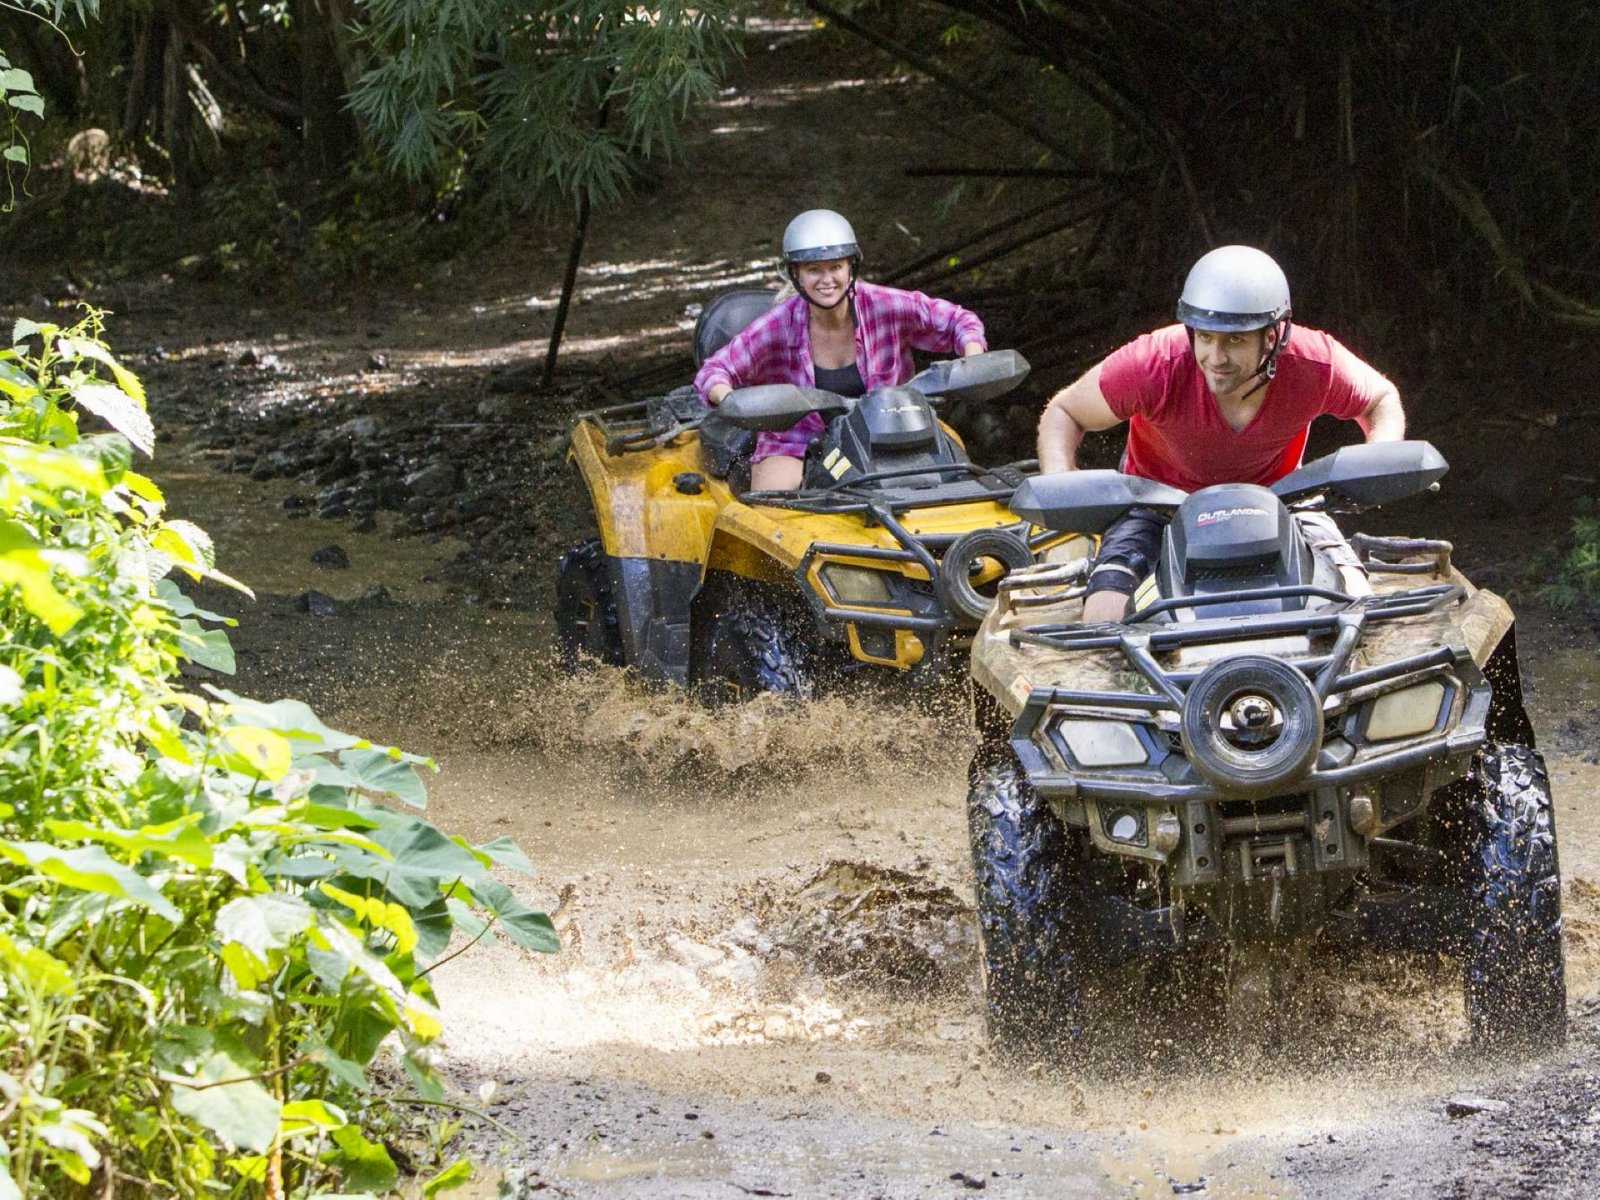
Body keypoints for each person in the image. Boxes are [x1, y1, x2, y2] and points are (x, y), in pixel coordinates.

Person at [1036, 244, 1406, 624]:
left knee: (1358, 599)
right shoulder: (1153, 365)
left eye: (1235, 339)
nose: (1216, 357)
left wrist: (1378, 459)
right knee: (1103, 614)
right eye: (1206, 337)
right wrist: (1061, 483)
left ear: (1273, 336)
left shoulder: (1314, 362)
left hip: (1281, 500)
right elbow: (1064, 412)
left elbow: (1380, 399)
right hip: (1157, 506)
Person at [695, 209, 987, 490]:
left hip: (891, 434)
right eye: (813, 270)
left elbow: (957, 321)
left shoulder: (884, 304)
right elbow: (714, 371)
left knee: (957, 474)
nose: (827, 280)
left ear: (851, 267)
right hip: (799, 442)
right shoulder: (777, 324)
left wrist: (972, 359)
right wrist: (734, 402)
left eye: (836, 267)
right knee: (775, 506)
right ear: (796, 273)